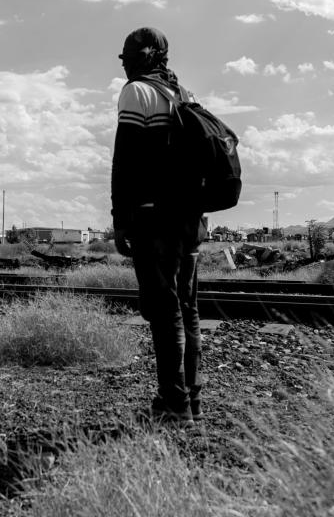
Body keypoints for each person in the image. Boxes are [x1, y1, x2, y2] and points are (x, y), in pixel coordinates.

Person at [111, 27, 207, 427]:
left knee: (165, 311)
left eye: (126, 58)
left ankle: (174, 404)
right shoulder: (184, 94)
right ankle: (192, 400)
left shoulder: (137, 92)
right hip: (190, 220)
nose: (124, 65)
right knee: (188, 310)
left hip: (154, 220)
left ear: (138, 58)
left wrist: (120, 220)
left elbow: (126, 162)